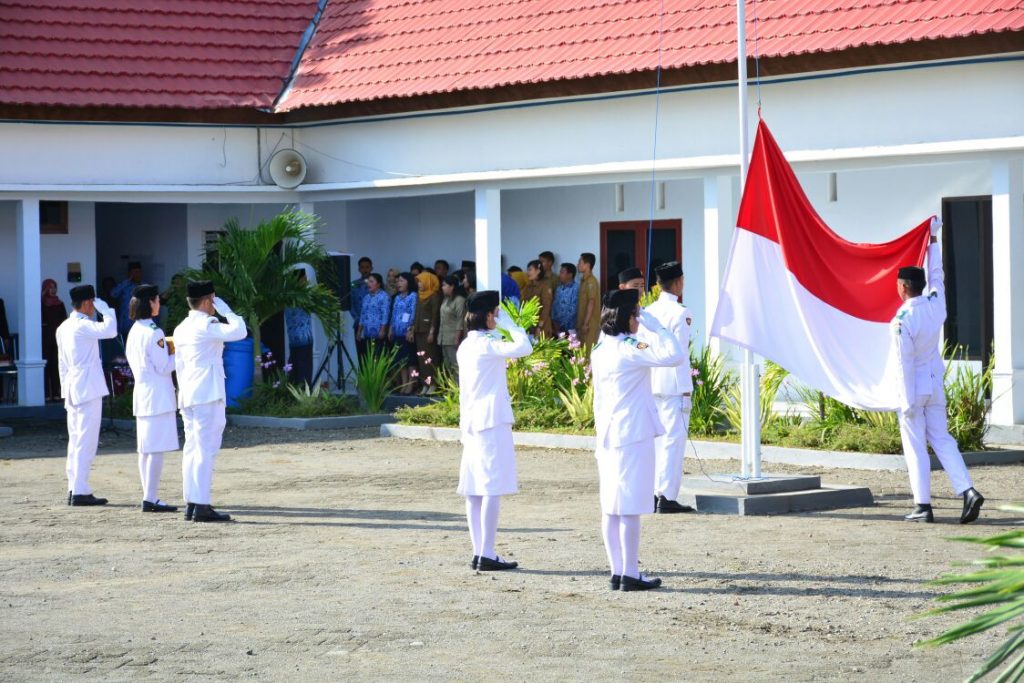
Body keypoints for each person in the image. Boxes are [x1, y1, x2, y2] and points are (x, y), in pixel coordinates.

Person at [591, 289, 686, 591]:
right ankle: (630, 572)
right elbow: (674, 355)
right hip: (632, 434)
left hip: (608, 435)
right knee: (629, 505)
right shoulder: (629, 347)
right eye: (635, 314)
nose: (638, 319)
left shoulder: (601, 349)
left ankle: (618, 571)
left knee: (611, 505)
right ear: (628, 318)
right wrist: (656, 327)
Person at [893, 217, 984, 524]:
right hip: (934, 384)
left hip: (914, 388)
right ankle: (967, 491)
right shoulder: (936, 307)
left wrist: (904, 401)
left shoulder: (902, 320)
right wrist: (932, 242)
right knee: (943, 440)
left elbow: (903, 363)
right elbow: (938, 276)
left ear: (904, 287)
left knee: (916, 447)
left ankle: (923, 505)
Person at [457, 290, 533, 571]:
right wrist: (511, 326)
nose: (498, 317)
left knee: (476, 489)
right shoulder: (487, 343)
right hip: (491, 421)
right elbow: (524, 347)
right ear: (489, 315)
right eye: (496, 313)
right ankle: (486, 552)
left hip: (474, 421)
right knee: (490, 488)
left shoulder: (467, 344)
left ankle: (480, 550)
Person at [173, 280, 246, 523]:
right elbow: (239, 331)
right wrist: (227, 311)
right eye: (213, 299)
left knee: (192, 449)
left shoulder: (182, 326)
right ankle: (201, 505)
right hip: (207, 394)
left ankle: (193, 502)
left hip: (189, 394)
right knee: (205, 449)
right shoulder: (207, 323)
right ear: (208, 301)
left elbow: (179, 364)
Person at [56, 284, 118, 506]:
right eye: (92, 302)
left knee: (76, 440)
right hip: (87, 389)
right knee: (86, 441)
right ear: (87, 303)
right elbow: (111, 331)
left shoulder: (63, 326)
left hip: (73, 388)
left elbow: (62, 365)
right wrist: (107, 310)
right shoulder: (82, 325)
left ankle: (75, 487)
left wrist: (65, 390)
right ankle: (80, 490)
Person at [645, 261, 695, 514]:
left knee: (657, 441)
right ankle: (667, 496)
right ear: (678, 282)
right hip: (674, 384)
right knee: (673, 442)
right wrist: (686, 386)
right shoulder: (680, 312)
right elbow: (681, 353)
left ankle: (654, 493)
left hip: (653, 382)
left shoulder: (648, 310)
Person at [125, 284, 178, 513]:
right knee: (155, 448)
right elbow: (164, 366)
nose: (159, 303)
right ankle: (151, 497)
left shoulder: (135, 330)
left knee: (145, 448)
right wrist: (178, 352)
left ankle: (148, 495)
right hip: (157, 394)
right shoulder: (154, 332)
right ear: (150, 303)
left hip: (143, 393)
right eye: (157, 300)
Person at [388, 272, 418, 394]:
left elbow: (414, 313)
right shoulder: (396, 297)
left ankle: (411, 383)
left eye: (401, 281)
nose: (398, 283)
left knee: (410, 359)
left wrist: (411, 329)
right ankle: (404, 384)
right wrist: (391, 328)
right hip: (397, 332)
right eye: (398, 281)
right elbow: (393, 314)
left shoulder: (413, 296)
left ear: (408, 282)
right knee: (400, 360)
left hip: (407, 332)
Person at [413, 271, 442, 394]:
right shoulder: (420, 295)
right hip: (419, 331)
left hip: (428, 332)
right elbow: (416, 315)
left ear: (428, 281)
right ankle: (425, 384)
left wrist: (432, 332)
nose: (419, 284)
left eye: (421, 281)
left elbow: (435, 315)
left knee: (430, 359)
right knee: (421, 359)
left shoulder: (434, 296)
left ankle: (433, 384)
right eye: (418, 282)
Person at [285, 270, 314, 387]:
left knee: (295, 366)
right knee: (304, 368)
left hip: (293, 338)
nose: (307, 281)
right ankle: (304, 393)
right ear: (300, 279)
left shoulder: (288, 295)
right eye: (305, 279)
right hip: (304, 338)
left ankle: (294, 390)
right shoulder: (303, 296)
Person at [41, 279, 67, 401]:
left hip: (57, 338)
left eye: (54, 287)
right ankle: (46, 394)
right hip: (45, 339)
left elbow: (64, 320)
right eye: (50, 287)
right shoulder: (41, 303)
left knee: (57, 365)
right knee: (45, 365)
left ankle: (57, 393)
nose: (53, 290)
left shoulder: (60, 304)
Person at [439, 275, 467, 380]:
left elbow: (460, 320)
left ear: (452, 286)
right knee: (448, 365)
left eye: (445, 285)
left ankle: (458, 390)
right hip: (443, 337)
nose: (442, 287)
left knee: (456, 365)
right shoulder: (446, 299)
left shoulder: (459, 300)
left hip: (453, 338)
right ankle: (451, 390)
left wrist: (457, 338)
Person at [356, 273, 390, 359]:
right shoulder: (366, 297)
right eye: (368, 282)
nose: (368, 284)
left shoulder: (384, 296)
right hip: (367, 333)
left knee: (377, 357)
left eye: (371, 281)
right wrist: (359, 331)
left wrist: (382, 330)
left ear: (378, 284)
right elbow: (362, 315)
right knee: (367, 357)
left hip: (378, 333)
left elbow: (385, 314)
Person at [520, 260, 553, 337]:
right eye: (527, 270)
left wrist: (539, 326)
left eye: (530, 270)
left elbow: (546, 307)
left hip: (541, 326)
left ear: (538, 271)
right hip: (529, 325)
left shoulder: (545, 286)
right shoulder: (528, 287)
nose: (528, 273)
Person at [110, 261, 143, 338]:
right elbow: (113, 294)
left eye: (139, 272)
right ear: (130, 273)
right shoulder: (124, 286)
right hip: (125, 323)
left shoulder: (144, 286)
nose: (137, 274)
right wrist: (128, 281)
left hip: (139, 323)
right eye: (135, 272)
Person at [576, 252, 600, 349]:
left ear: (587, 265)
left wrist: (586, 324)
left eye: (580, 262)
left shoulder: (591, 281)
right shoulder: (583, 281)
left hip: (589, 325)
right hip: (582, 324)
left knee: (588, 354)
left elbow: (591, 302)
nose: (578, 265)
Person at [551, 262, 579, 336]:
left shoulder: (576, 288)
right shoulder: (559, 288)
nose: (559, 275)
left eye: (562, 272)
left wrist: (563, 324)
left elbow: (574, 308)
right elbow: (555, 305)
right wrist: (555, 322)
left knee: (573, 347)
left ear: (570, 275)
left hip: (571, 327)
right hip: (557, 327)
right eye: (560, 272)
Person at [350, 256, 373, 336]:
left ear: (371, 268)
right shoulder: (354, 284)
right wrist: (356, 318)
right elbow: (351, 303)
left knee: (371, 348)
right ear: (359, 269)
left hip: (372, 323)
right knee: (359, 347)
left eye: (367, 267)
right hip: (358, 321)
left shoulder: (376, 284)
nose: (365, 270)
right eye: (362, 267)